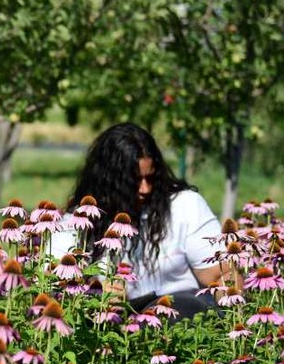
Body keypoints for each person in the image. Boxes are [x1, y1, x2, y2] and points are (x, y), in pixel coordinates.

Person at [50, 123, 234, 320]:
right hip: (113, 323)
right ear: (108, 180)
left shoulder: (185, 206)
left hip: (182, 315)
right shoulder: (79, 222)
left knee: (185, 306)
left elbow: (221, 275)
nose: (145, 189)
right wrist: (96, 295)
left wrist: (231, 308)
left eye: (150, 178)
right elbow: (54, 282)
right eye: (135, 180)